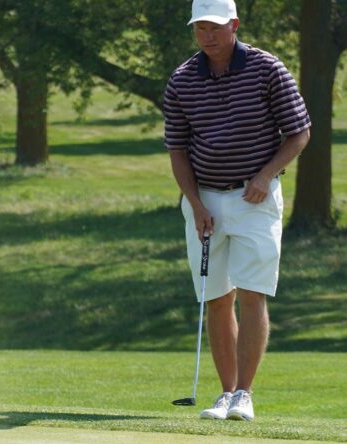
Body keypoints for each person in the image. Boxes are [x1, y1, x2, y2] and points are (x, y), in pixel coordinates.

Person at [163, 0, 311, 421]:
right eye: (199, 28)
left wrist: (265, 176)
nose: (207, 36)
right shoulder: (182, 79)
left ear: (234, 25)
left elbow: (299, 132)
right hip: (203, 199)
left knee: (251, 293)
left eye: (214, 27)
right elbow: (177, 148)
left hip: (255, 199)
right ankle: (224, 395)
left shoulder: (267, 69)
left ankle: (244, 394)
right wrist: (195, 204)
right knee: (216, 298)